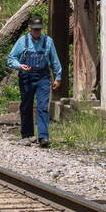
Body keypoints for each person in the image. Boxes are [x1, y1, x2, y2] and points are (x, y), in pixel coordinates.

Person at [6, 15, 62, 147]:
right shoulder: (22, 41)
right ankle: (27, 135)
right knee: (26, 105)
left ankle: (43, 137)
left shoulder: (48, 41)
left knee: (43, 107)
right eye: (34, 29)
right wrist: (19, 66)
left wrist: (58, 77)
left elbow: (54, 61)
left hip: (43, 77)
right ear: (30, 28)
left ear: (41, 28)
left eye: (39, 29)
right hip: (26, 77)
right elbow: (11, 58)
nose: (37, 32)